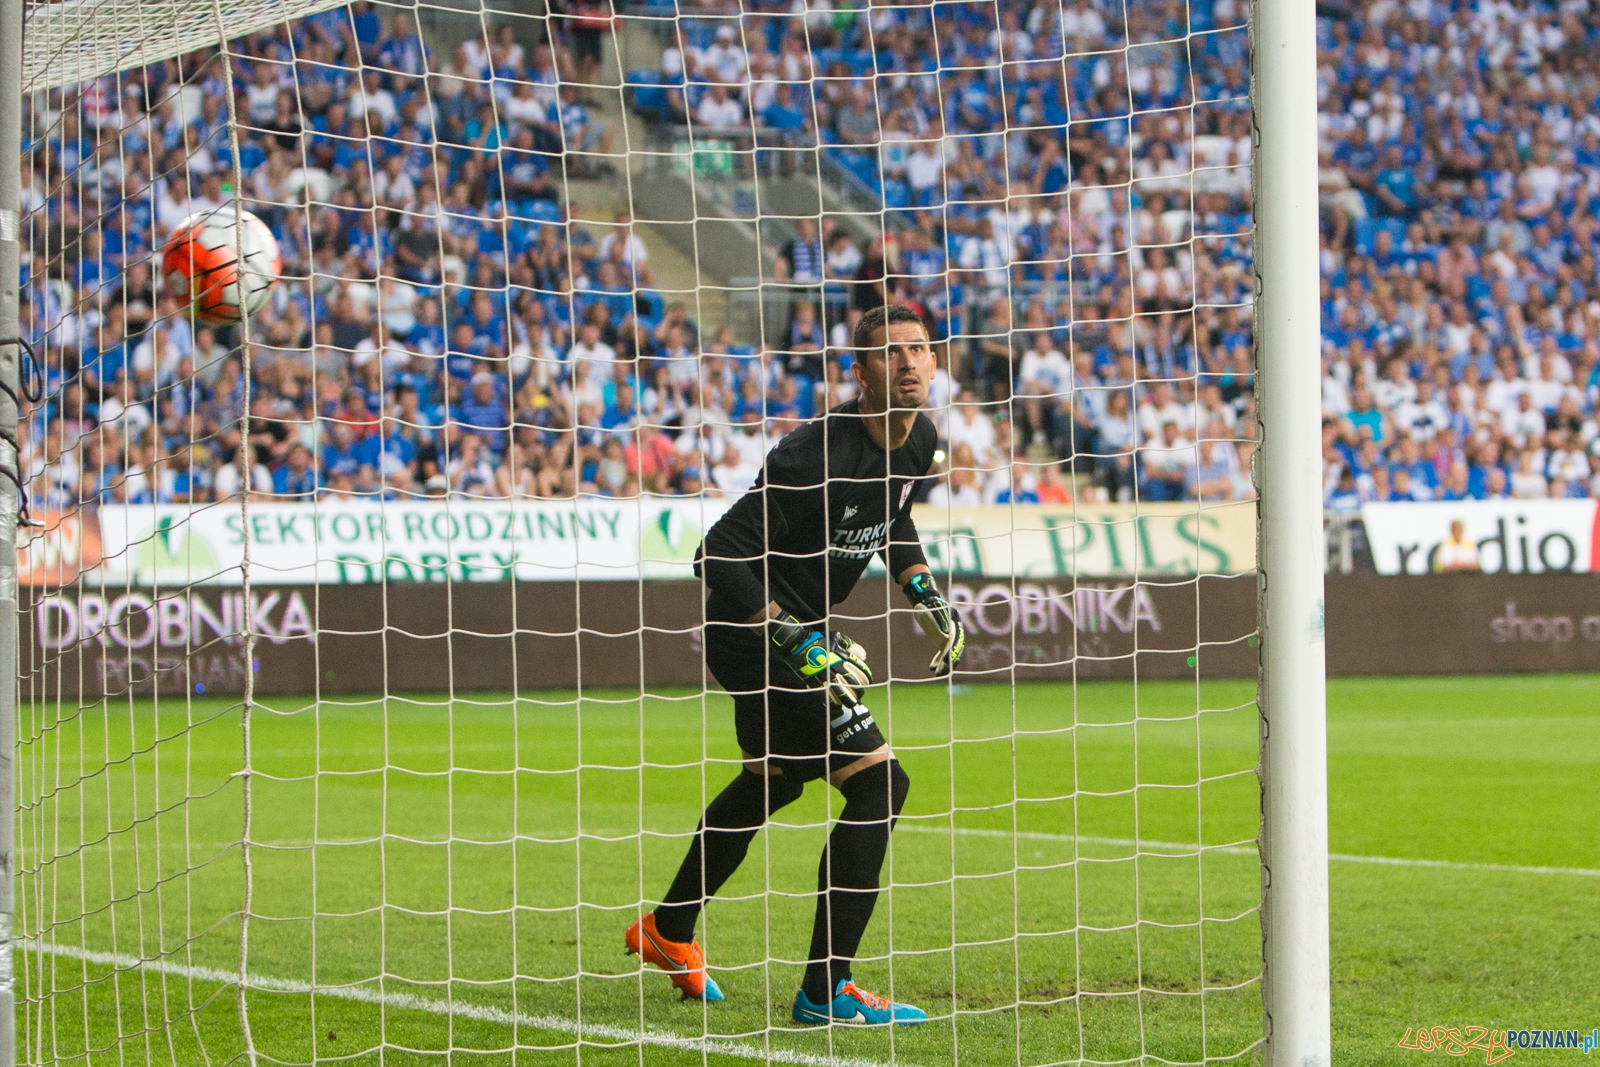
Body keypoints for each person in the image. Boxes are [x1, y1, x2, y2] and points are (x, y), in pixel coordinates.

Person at [624, 304, 967, 1026]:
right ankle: (825, 990)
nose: (908, 362)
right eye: (889, 353)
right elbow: (717, 554)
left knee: (773, 780)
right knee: (879, 783)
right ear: (860, 371)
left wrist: (925, 594)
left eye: (918, 349)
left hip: (796, 633)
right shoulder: (811, 455)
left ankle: (669, 928)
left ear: (935, 361)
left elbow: (892, 516)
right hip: (751, 631)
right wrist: (796, 639)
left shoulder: (921, 440)